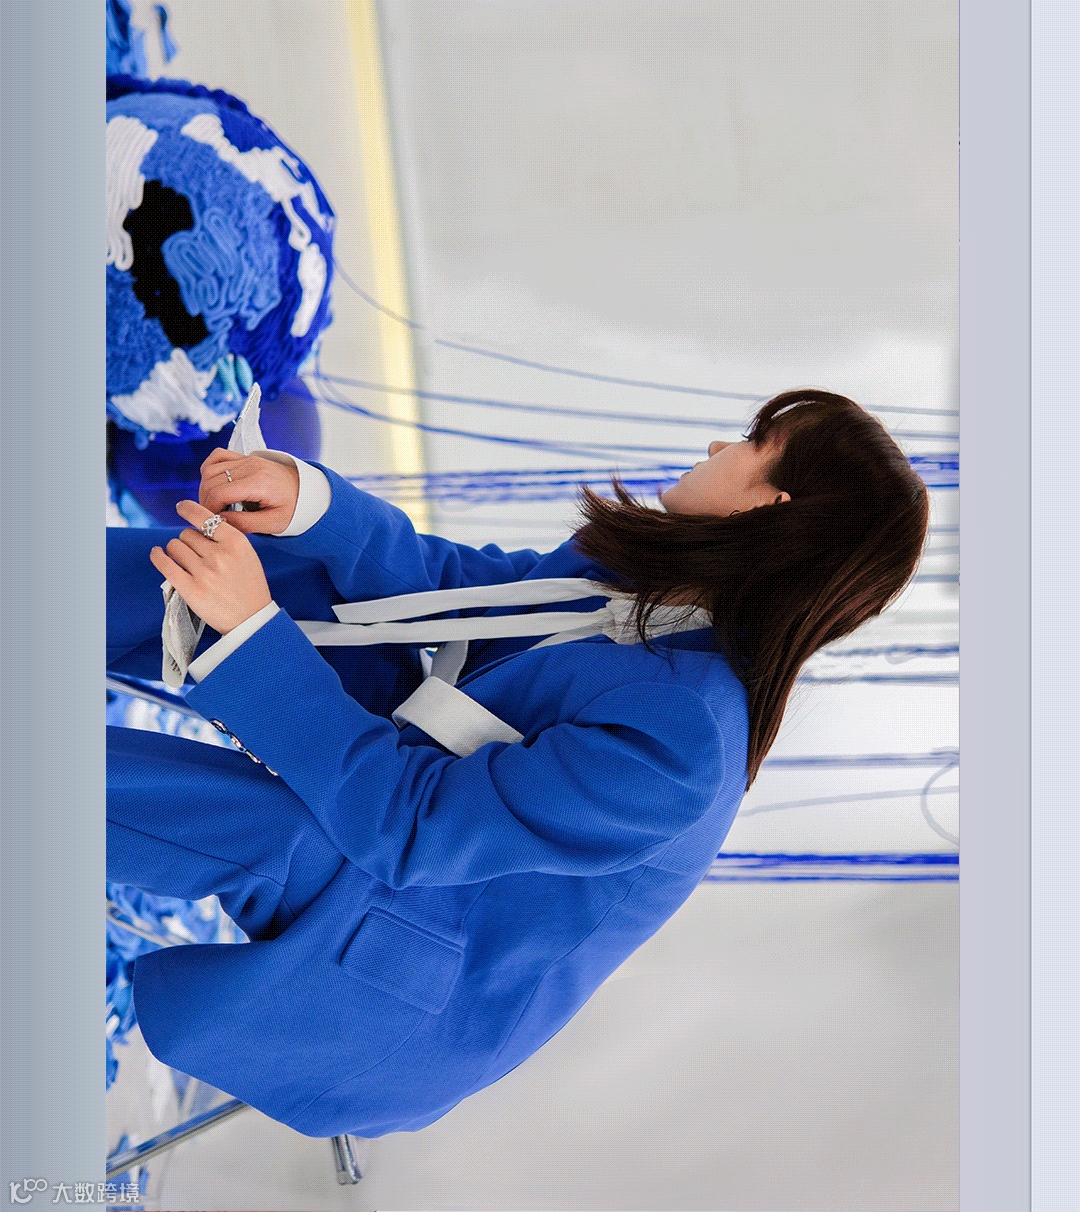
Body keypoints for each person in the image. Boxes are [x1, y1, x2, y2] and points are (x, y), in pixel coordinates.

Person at [106, 388, 929, 1138]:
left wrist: (252, 632)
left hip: (400, 957)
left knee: (277, 824)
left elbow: (409, 827)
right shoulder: (649, 582)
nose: (721, 445)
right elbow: (459, 597)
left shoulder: (685, 746)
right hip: (406, 812)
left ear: (769, 504)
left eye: (753, 440)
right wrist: (312, 504)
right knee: (310, 577)